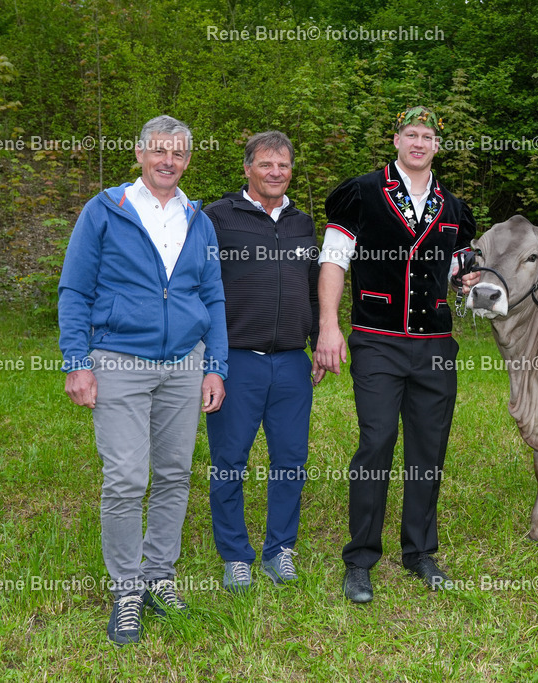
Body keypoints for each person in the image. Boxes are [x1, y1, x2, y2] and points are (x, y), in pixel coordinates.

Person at [58, 115, 228, 645]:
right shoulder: (106, 210)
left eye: (177, 153)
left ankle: (160, 577)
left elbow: (214, 297)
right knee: (128, 477)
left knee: (176, 474)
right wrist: (76, 360)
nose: (167, 161)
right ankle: (126, 590)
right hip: (118, 360)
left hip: (184, 362)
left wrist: (214, 364)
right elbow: (74, 290)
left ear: (188, 160)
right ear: (138, 153)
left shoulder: (197, 220)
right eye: (158, 151)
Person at [315, 106, 477, 603]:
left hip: (434, 346)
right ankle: (361, 558)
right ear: (396, 139)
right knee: (376, 443)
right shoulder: (361, 194)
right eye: (412, 134)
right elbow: (333, 261)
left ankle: (420, 553)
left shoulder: (453, 207)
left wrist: (466, 275)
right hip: (377, 338)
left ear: (436, 145)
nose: (420, 142)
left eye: (428, 136)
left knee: (429, 449)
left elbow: (457, 265)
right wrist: (328, 326)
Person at [203, 131, 320, 593]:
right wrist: (208, 357)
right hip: (235, 360)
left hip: (292, 361)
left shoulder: (302, 223)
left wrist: (317, 338)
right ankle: (235, 555)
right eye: (267, 164)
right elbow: (200, 286)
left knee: (291, 460)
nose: (276, 172)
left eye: (284, 165)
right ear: (248, 168)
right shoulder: (216, 218)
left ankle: (279, 551)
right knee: (229, 461)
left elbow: (313, 285)